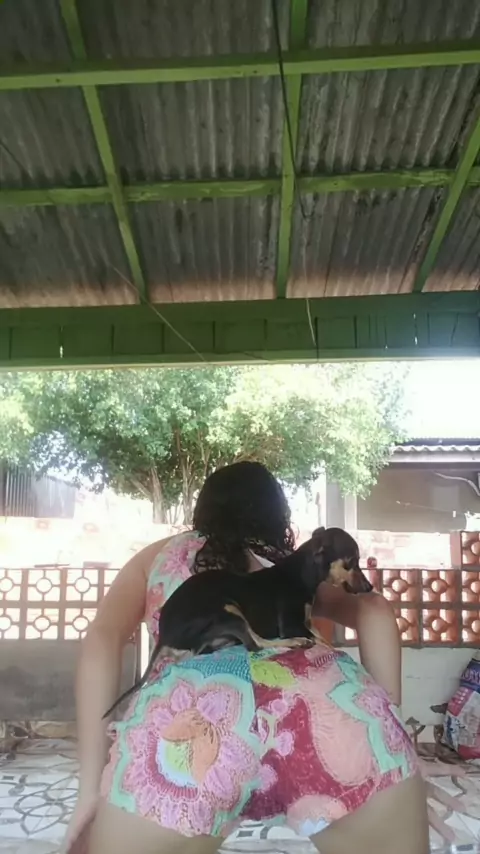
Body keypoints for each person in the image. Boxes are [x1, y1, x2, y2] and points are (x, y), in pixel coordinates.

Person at [65, 461, 429, 854]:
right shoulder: (295, 567)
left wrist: (89, 790)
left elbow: (102, 640)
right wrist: (391, 732)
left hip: (191, 724)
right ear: (278, 516)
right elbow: (375, 609)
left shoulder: (159, 556)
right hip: (327, 716)